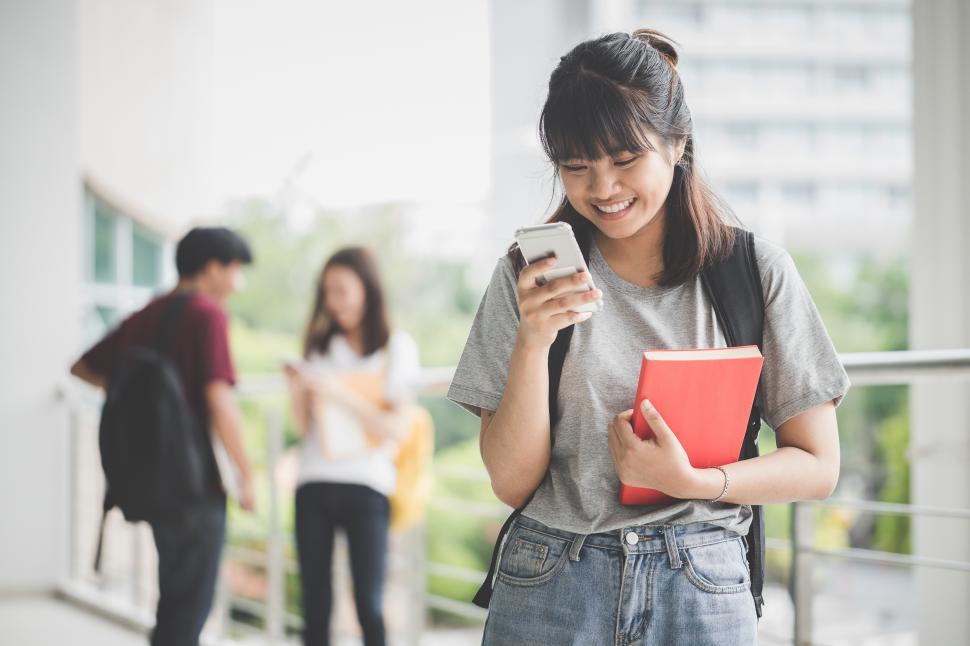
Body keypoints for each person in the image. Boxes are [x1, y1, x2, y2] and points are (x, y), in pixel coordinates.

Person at [447, 29, 851, 644]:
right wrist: (532, 342)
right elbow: (512, 482)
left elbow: (818, 466)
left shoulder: (754, 272)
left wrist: (693, 483)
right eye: (576, 167)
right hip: (552, 580)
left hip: (699, 585)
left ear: (678, 143)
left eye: (625, 159)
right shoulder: (528, 278)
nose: (602, 188)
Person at [70, 226, 255, 646]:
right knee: (189, 608)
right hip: (195, 481)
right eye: (234, 271)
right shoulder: (207, 315)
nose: (237, 284)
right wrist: (246, 474)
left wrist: (137, 392)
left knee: (173, 598)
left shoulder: (147, 313)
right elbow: (220, 401)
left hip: (154, 478)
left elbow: (82, 367)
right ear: (211, 268)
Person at [286, 246, 420, 646]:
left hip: (368, 485)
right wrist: (297, 387)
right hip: (312, 481)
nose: (334, 301)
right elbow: (303, 426)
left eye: (342, 290)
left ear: (367, 289)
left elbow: (396, 428)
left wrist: (336, 392)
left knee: (369, 604)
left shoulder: (396, 347)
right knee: (314, 604)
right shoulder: (318, 346)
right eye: (327, 291)